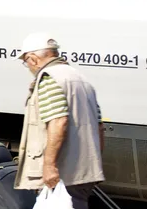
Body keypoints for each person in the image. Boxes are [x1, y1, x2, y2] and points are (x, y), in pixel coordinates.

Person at [14, 33, 105, 209]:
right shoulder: (81, 78)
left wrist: (49, 166)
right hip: (85, 172)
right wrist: (96, 165)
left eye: (26, 62)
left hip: (65, 172)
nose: (28, 67)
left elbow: (58, 122)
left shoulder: (49, 78)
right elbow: (99, 127)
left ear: (33, 59)